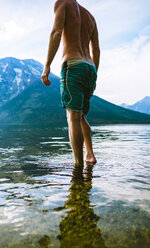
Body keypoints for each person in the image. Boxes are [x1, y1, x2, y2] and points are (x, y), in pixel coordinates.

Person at [41, 0, 100, 166]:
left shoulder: (62, 3)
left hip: (73, 64)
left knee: (73, 117)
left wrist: (47, 65)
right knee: (80, 115)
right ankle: (89, 155)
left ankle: (78, 166)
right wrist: (95, 74)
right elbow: (96, 50)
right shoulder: (91, 17)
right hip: (90, 68)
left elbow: (56, 33)